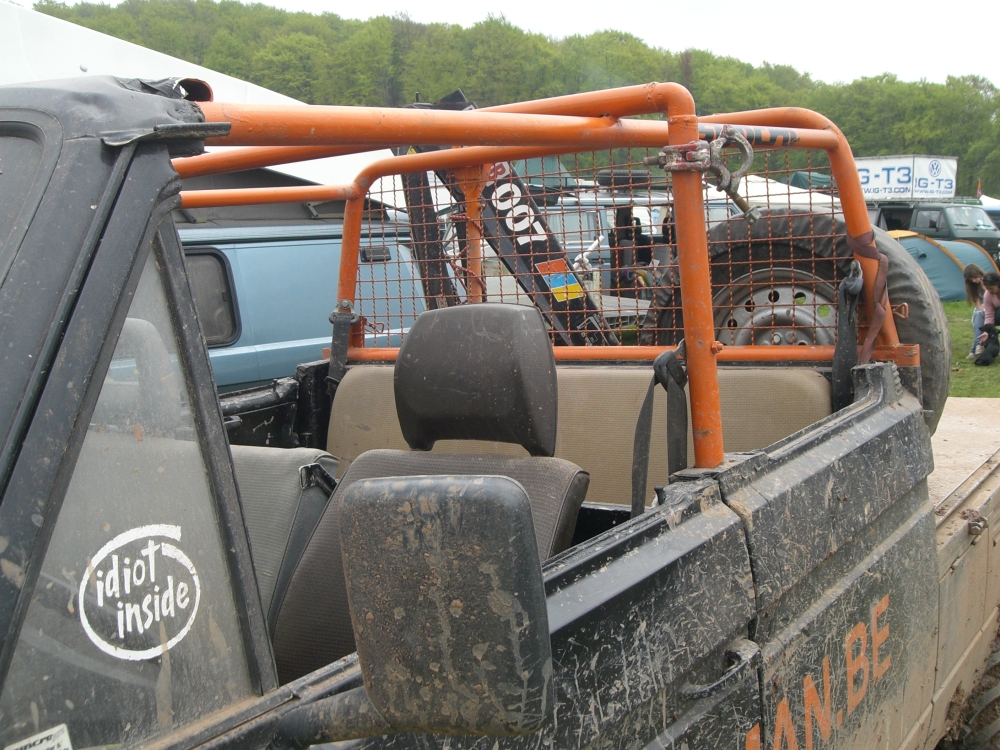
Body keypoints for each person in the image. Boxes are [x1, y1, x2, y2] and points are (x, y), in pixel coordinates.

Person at [965, 264, 986, 358]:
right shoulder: (974, 287)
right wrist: (984, 310)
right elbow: (978, 305)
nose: (974, 281)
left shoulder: (989, 281)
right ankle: (978, 345)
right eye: (971, 280)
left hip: (993, 308)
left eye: (975, 278)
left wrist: (984, 287)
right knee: (978, 314)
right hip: (983, 310)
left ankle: (974, 349)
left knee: (978, 315)